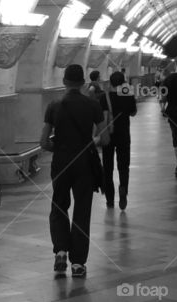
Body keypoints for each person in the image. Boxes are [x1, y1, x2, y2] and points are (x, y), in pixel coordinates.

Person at [40, 63, 110, 277]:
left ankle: (60, 250)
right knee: (82, 210)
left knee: (59, 206)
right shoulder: (93, 105)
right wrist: (91, 142)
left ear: (64, 81)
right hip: (84, 164)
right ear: (82, 82)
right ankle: (78, 263)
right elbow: (105, 138)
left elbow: (43, 142)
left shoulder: (54, 105)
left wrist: (59, 147)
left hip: (61, 162)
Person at [104, 70, 137, 210]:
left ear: (110, 82)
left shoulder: (104, 97)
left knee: (107, 167)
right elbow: (133, 113)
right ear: (123, 82)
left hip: (108, 136)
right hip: (123, 134)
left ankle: (110, 199)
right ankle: (123, 189)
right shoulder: (127, 94)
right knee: (124, 166)